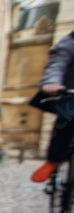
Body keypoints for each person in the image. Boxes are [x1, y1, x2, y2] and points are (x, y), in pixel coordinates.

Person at [31, 31, 74, 182]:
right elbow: (57, 63)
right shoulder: (70, 42)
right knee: (68, 116)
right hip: (68, 92)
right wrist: (51, 81)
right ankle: (53, 160)